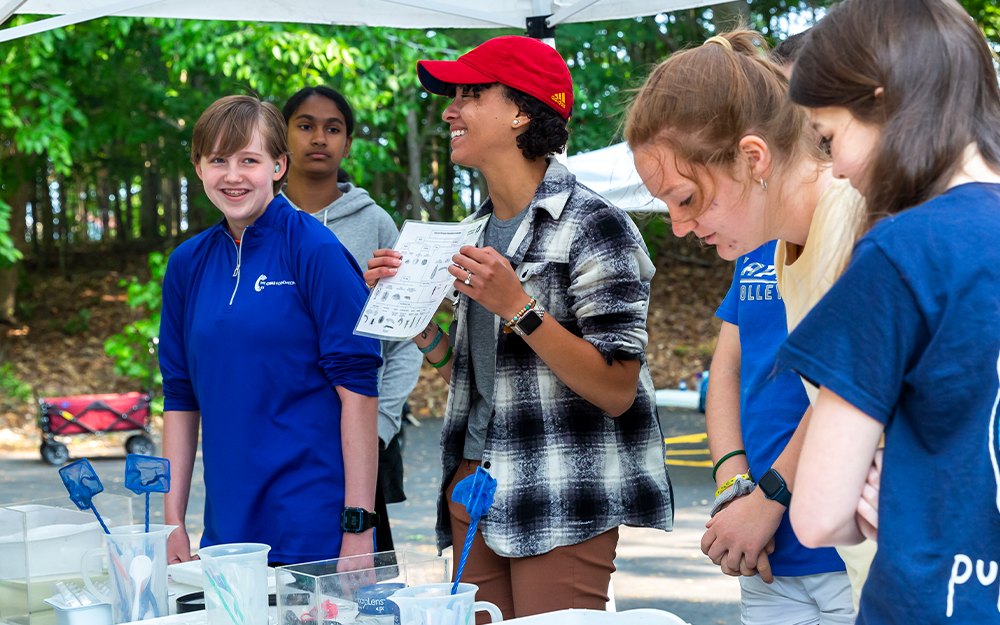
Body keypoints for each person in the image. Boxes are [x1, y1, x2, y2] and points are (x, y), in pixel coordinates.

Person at [364, 35, 672, 620]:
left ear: (521, 111)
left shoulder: (596, 227)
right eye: (452, 96)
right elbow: (478, 370)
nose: (450, 110)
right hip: (472, 486)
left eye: (470, 94)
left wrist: (519, 308)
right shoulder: (471, 232)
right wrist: (415, 323)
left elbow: (616, 389)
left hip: (560, 494)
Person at [777, 0, 1000, 622]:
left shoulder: (902, 252)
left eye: (829, 138)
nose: (839, 171)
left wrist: (901, 497)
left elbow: (819, 516)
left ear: (882, 100)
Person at [160, 95, 383, 567]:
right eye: (218, 160)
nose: (233, 176)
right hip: (227, 531)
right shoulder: (187, 264)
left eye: (249, 160)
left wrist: (359, 530)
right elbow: (180, 397)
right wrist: (171, 521)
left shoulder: (315, 250)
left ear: (279, 165)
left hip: (313, 527)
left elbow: (359, 392)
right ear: (199, 168)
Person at [280, 85, 423, 553]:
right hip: (280, 434)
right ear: (282, 138)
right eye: (305, 125)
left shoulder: (375, 223)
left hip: (360, 438)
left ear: (348, 143)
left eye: (333, 128)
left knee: (362, 586)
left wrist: (382, 425)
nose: (319, 138)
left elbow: (402, 339)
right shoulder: (259, 221)